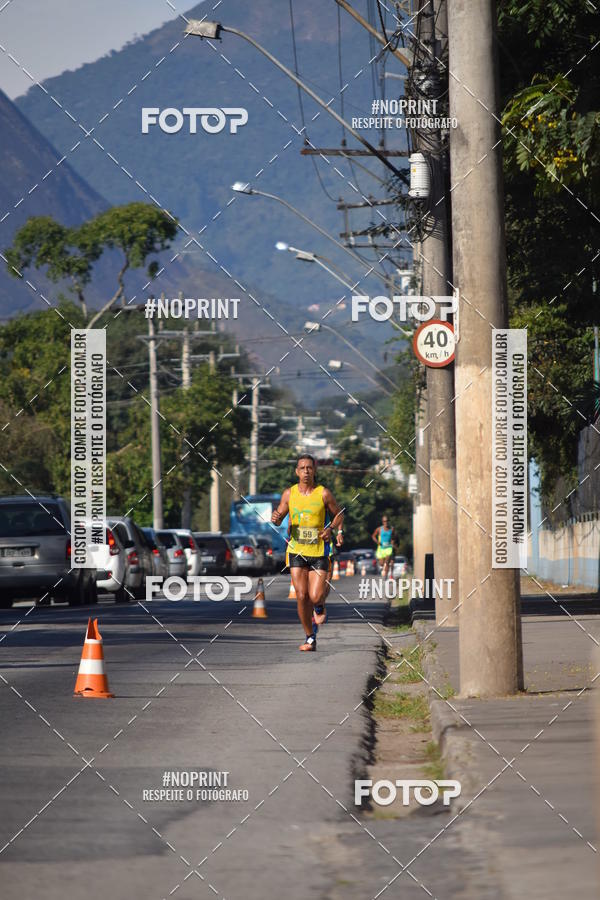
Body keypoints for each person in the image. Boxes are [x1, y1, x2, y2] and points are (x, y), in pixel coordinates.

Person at [271, 454, 344, 652]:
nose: (306, 471)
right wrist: (276, 518)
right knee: (302, 596)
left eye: (309, 468)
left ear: (314, 470)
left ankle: (319, 606)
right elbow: (278, 517)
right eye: (302, 468)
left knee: (316, 595)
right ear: (296, 471)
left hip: (319, 551)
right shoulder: (289, 494)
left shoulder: (323, 494)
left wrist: (331, 529)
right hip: (296, 551)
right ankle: (310, 636)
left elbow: (338, 514)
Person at [372, 515, 397, 580]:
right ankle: (382, 567)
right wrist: (377, 542)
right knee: (382, 564)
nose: (386, 523)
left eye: (387, 521)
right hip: (381, 548)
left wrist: (393, 542)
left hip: (389, 548)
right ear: (382, 522)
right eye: (384, 521)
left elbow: (394, 537)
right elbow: (373, 536)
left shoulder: (392, 529)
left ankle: (385, 575)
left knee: (387, 562)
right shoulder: (379, 529)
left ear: (388, 521)